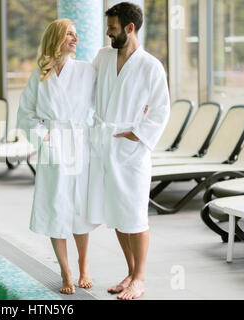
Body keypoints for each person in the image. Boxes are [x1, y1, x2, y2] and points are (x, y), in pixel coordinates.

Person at [87, 2, 170, 300]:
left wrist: (139, 133)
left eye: (112, 28)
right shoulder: (103, 57)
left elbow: (161, 109)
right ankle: (130, 272)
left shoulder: (150, 66)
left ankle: (141, 278)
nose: (108, 33)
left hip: (132, 149)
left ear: (130, 28)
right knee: (117, 214)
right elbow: (84, 87)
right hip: (105, 144)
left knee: (134, 214)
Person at [17, 18, 99, 295]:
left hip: (80, 143)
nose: (75, 39)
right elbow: (25, 113)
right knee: (56, 207)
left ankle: (84, 265)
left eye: (76, 34)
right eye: (69, 34)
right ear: (56, 38)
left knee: (80, 208)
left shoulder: (87, 70)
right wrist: (44, 135)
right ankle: (65, 272)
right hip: (53, 146)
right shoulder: (41, 74)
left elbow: (106, 101)